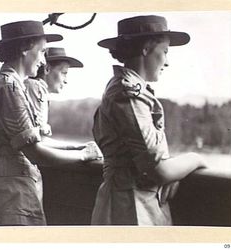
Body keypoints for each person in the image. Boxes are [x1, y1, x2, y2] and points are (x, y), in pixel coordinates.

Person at [0, 20, 102, 226]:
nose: (43, 61)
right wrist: (82, 155)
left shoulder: (12, 86)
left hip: (10, 189)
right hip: (10, 195)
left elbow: (31, 141)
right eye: (42, 52)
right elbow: (35, 151)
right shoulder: (9, 88)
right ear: (25, 48)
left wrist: (74, 146)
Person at [91, 15, 208, 225]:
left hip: (135, 202)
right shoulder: (128, 93)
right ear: (146, 48)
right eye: (164, 51)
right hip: (130, 208)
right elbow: (159, 171)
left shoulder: (126, 88)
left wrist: (172, 172)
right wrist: (195, 158)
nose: (167, 61)